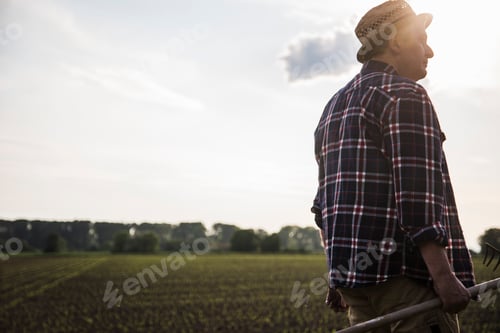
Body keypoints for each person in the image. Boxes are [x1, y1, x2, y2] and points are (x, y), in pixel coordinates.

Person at [311, 1, 475, 332]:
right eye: (422, 39)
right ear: (397, 41)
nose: (429, 51)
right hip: (406, 281)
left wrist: (338, 275)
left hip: (356, 286)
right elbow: (417, 201)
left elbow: (325, 205)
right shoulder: (406, 96)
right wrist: (444, 278)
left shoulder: (334, 106)